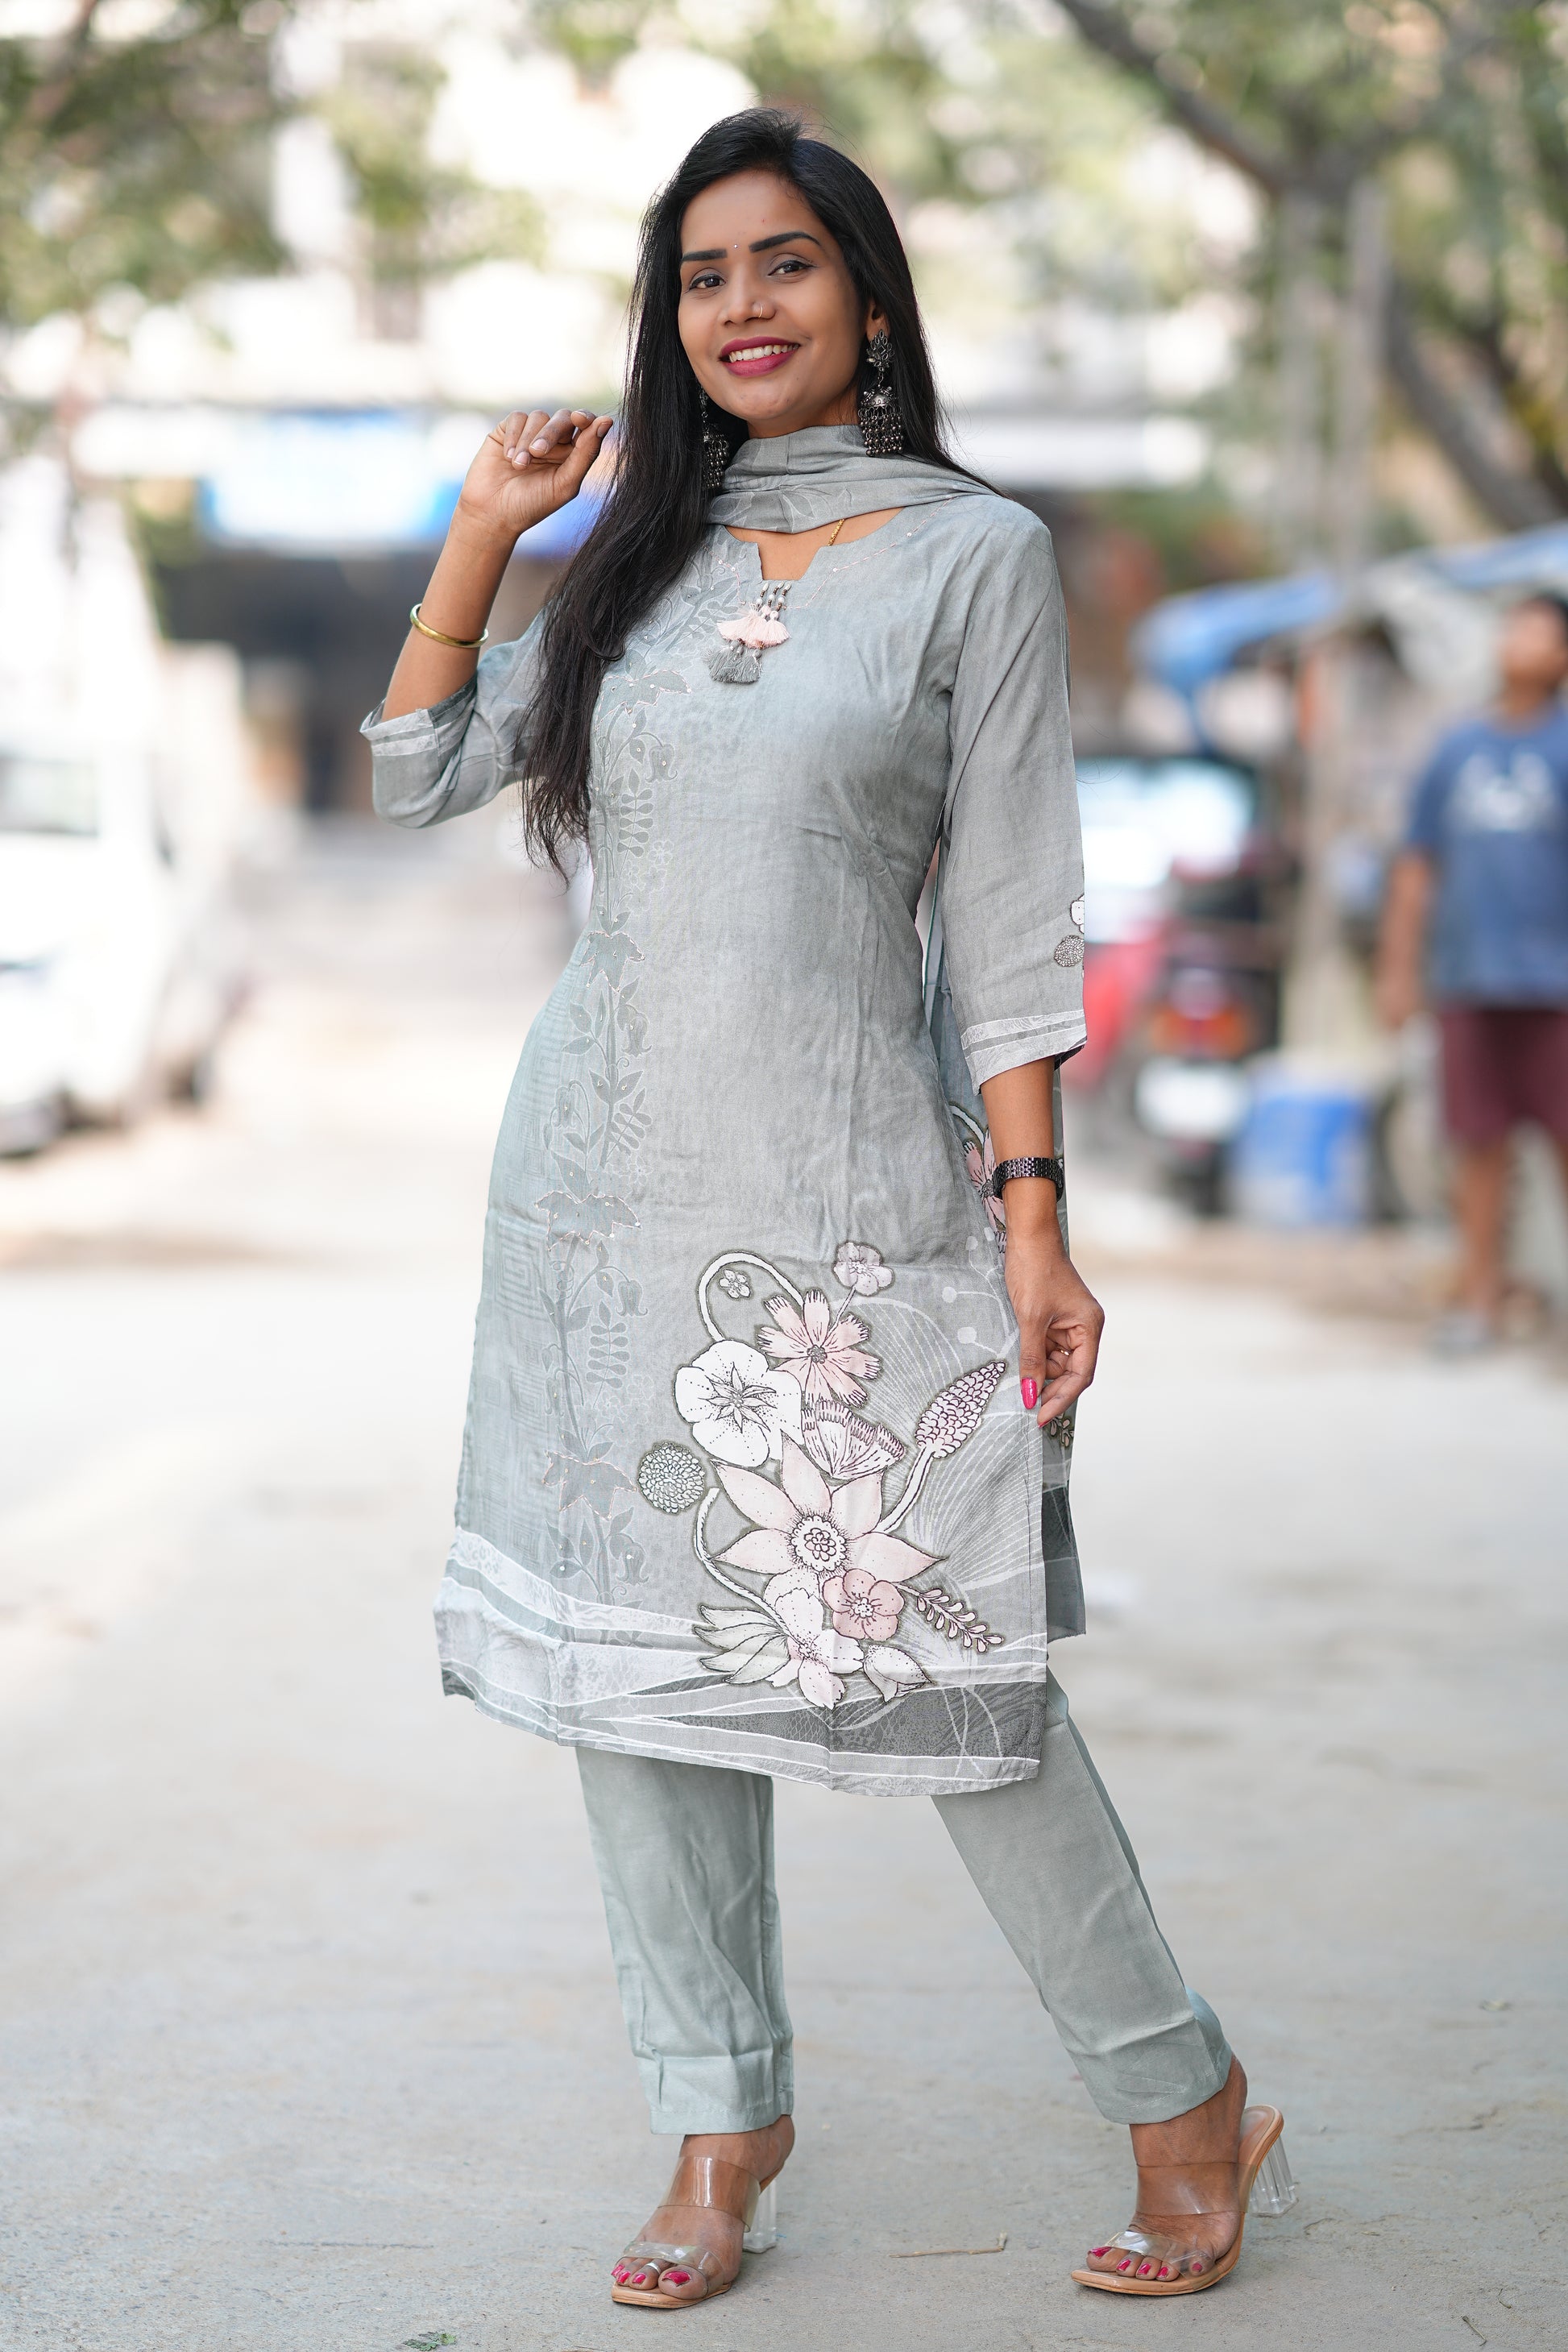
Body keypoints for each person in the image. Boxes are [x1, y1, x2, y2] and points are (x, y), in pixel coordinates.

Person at [364, 109, 1287, 2309]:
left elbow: (1015, 908)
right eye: (701, 276)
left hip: (852, 1202)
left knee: (953, 1658)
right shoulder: (637, 560)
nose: (741, 305)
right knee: (636, 1682)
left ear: (867, 297)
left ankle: (1182, 2091)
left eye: (782, 261)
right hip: (597, 1202)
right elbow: (418, 770)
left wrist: (1036, 1214)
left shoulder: (975, 555)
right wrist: (489, 532)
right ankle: (719, 2112)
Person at [1378, 592, 1568, 1348]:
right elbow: (1415, 867)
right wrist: (1399, 969)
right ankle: (1480, 1303)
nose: (1519, 640)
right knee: (1479, 1149)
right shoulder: (1456, 749)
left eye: (1538, 631)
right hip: (1469, 980)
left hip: (1556, 987)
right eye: (1513, 626)